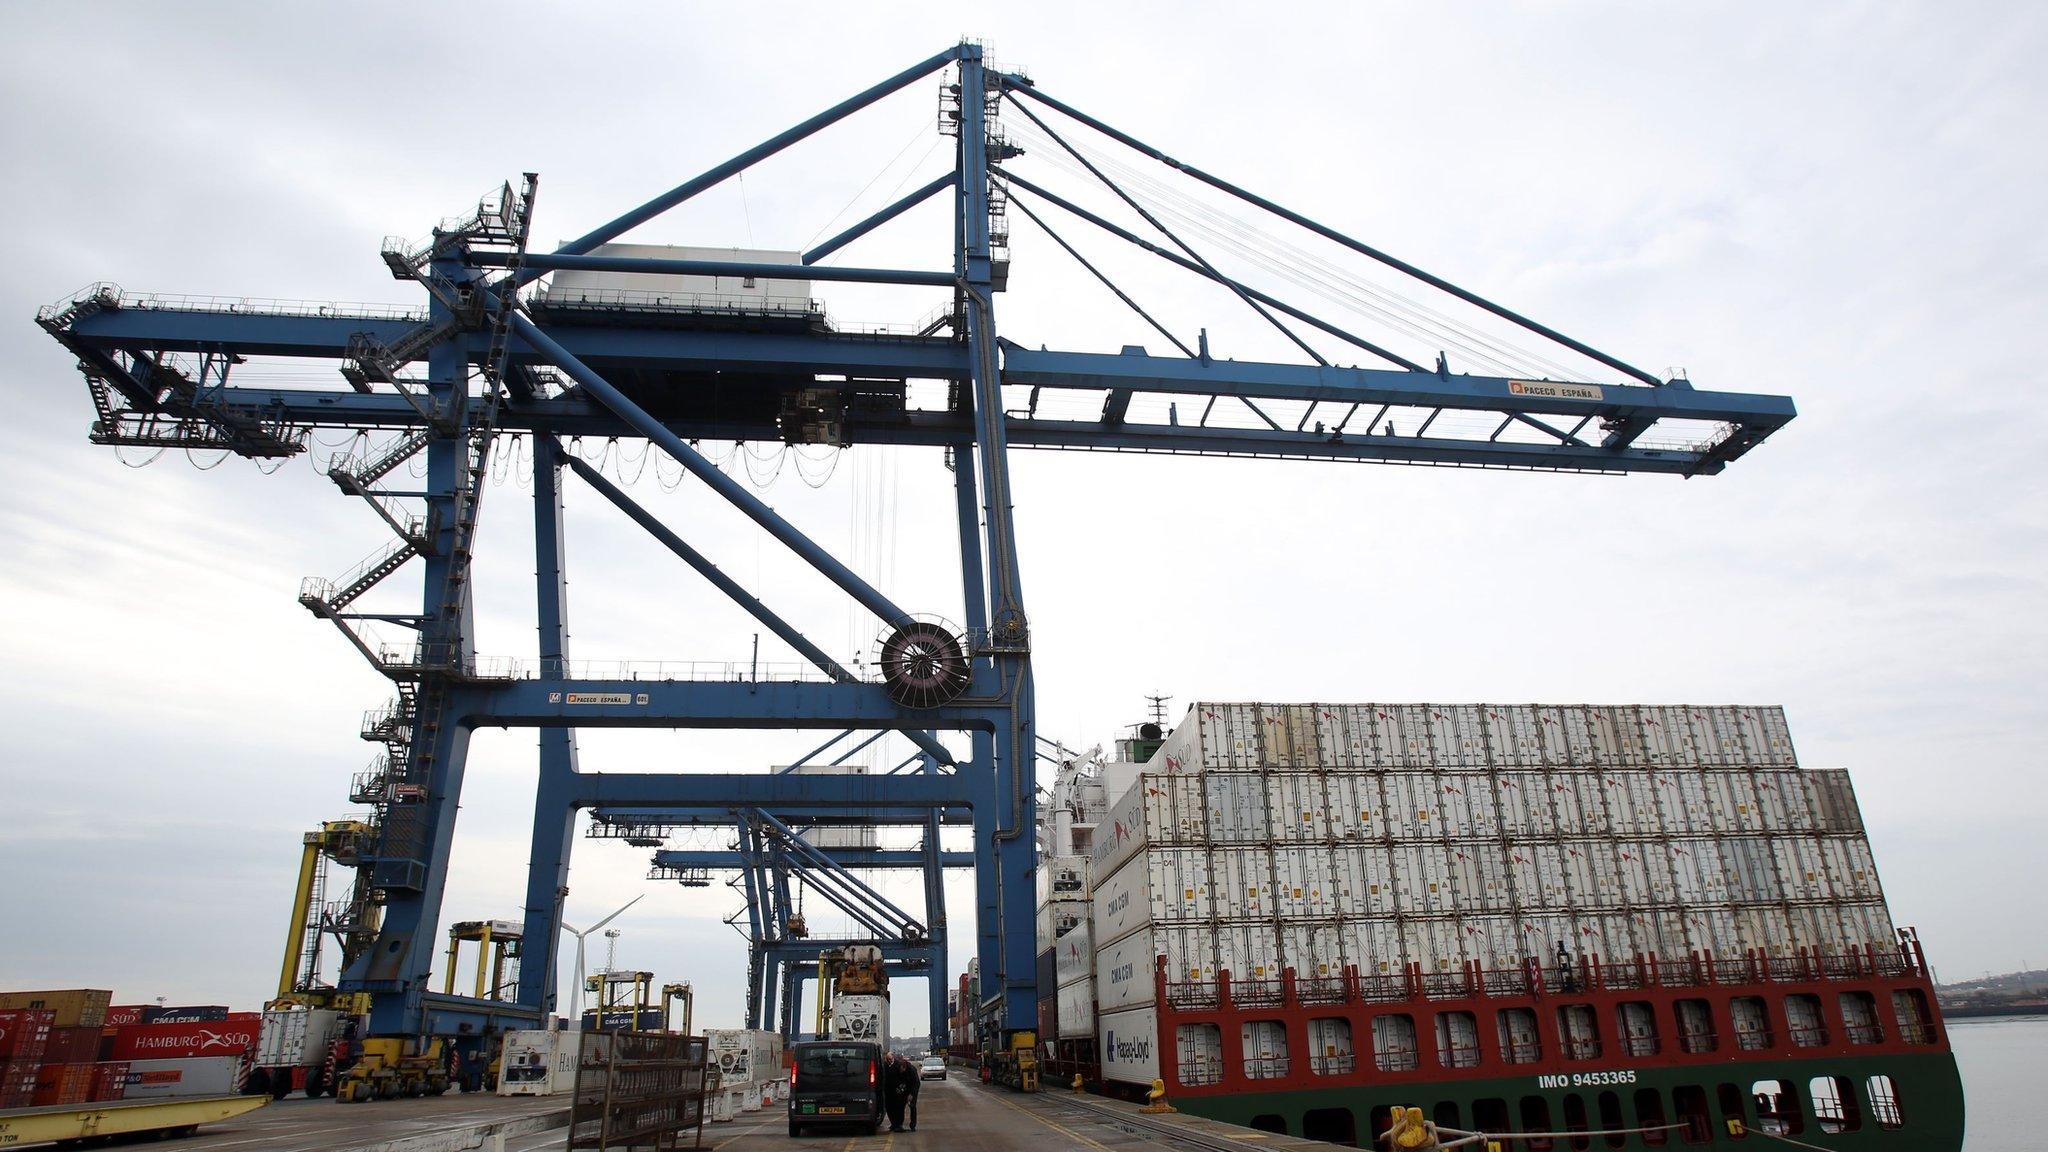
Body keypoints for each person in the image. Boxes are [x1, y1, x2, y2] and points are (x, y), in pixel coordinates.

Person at [884, 1054, 912, 1132]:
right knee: (889, 1108)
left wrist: (902, 1089)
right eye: (888, 1059)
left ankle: (899, 1125)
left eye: (890, 1059)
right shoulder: (885, 1066)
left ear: (893, 1058)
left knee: (899, 1109)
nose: (889, 1061)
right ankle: (893, 1124)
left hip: (898, 1092)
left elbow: (905, 1079)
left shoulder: (898, 1066)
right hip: (888, 1092)